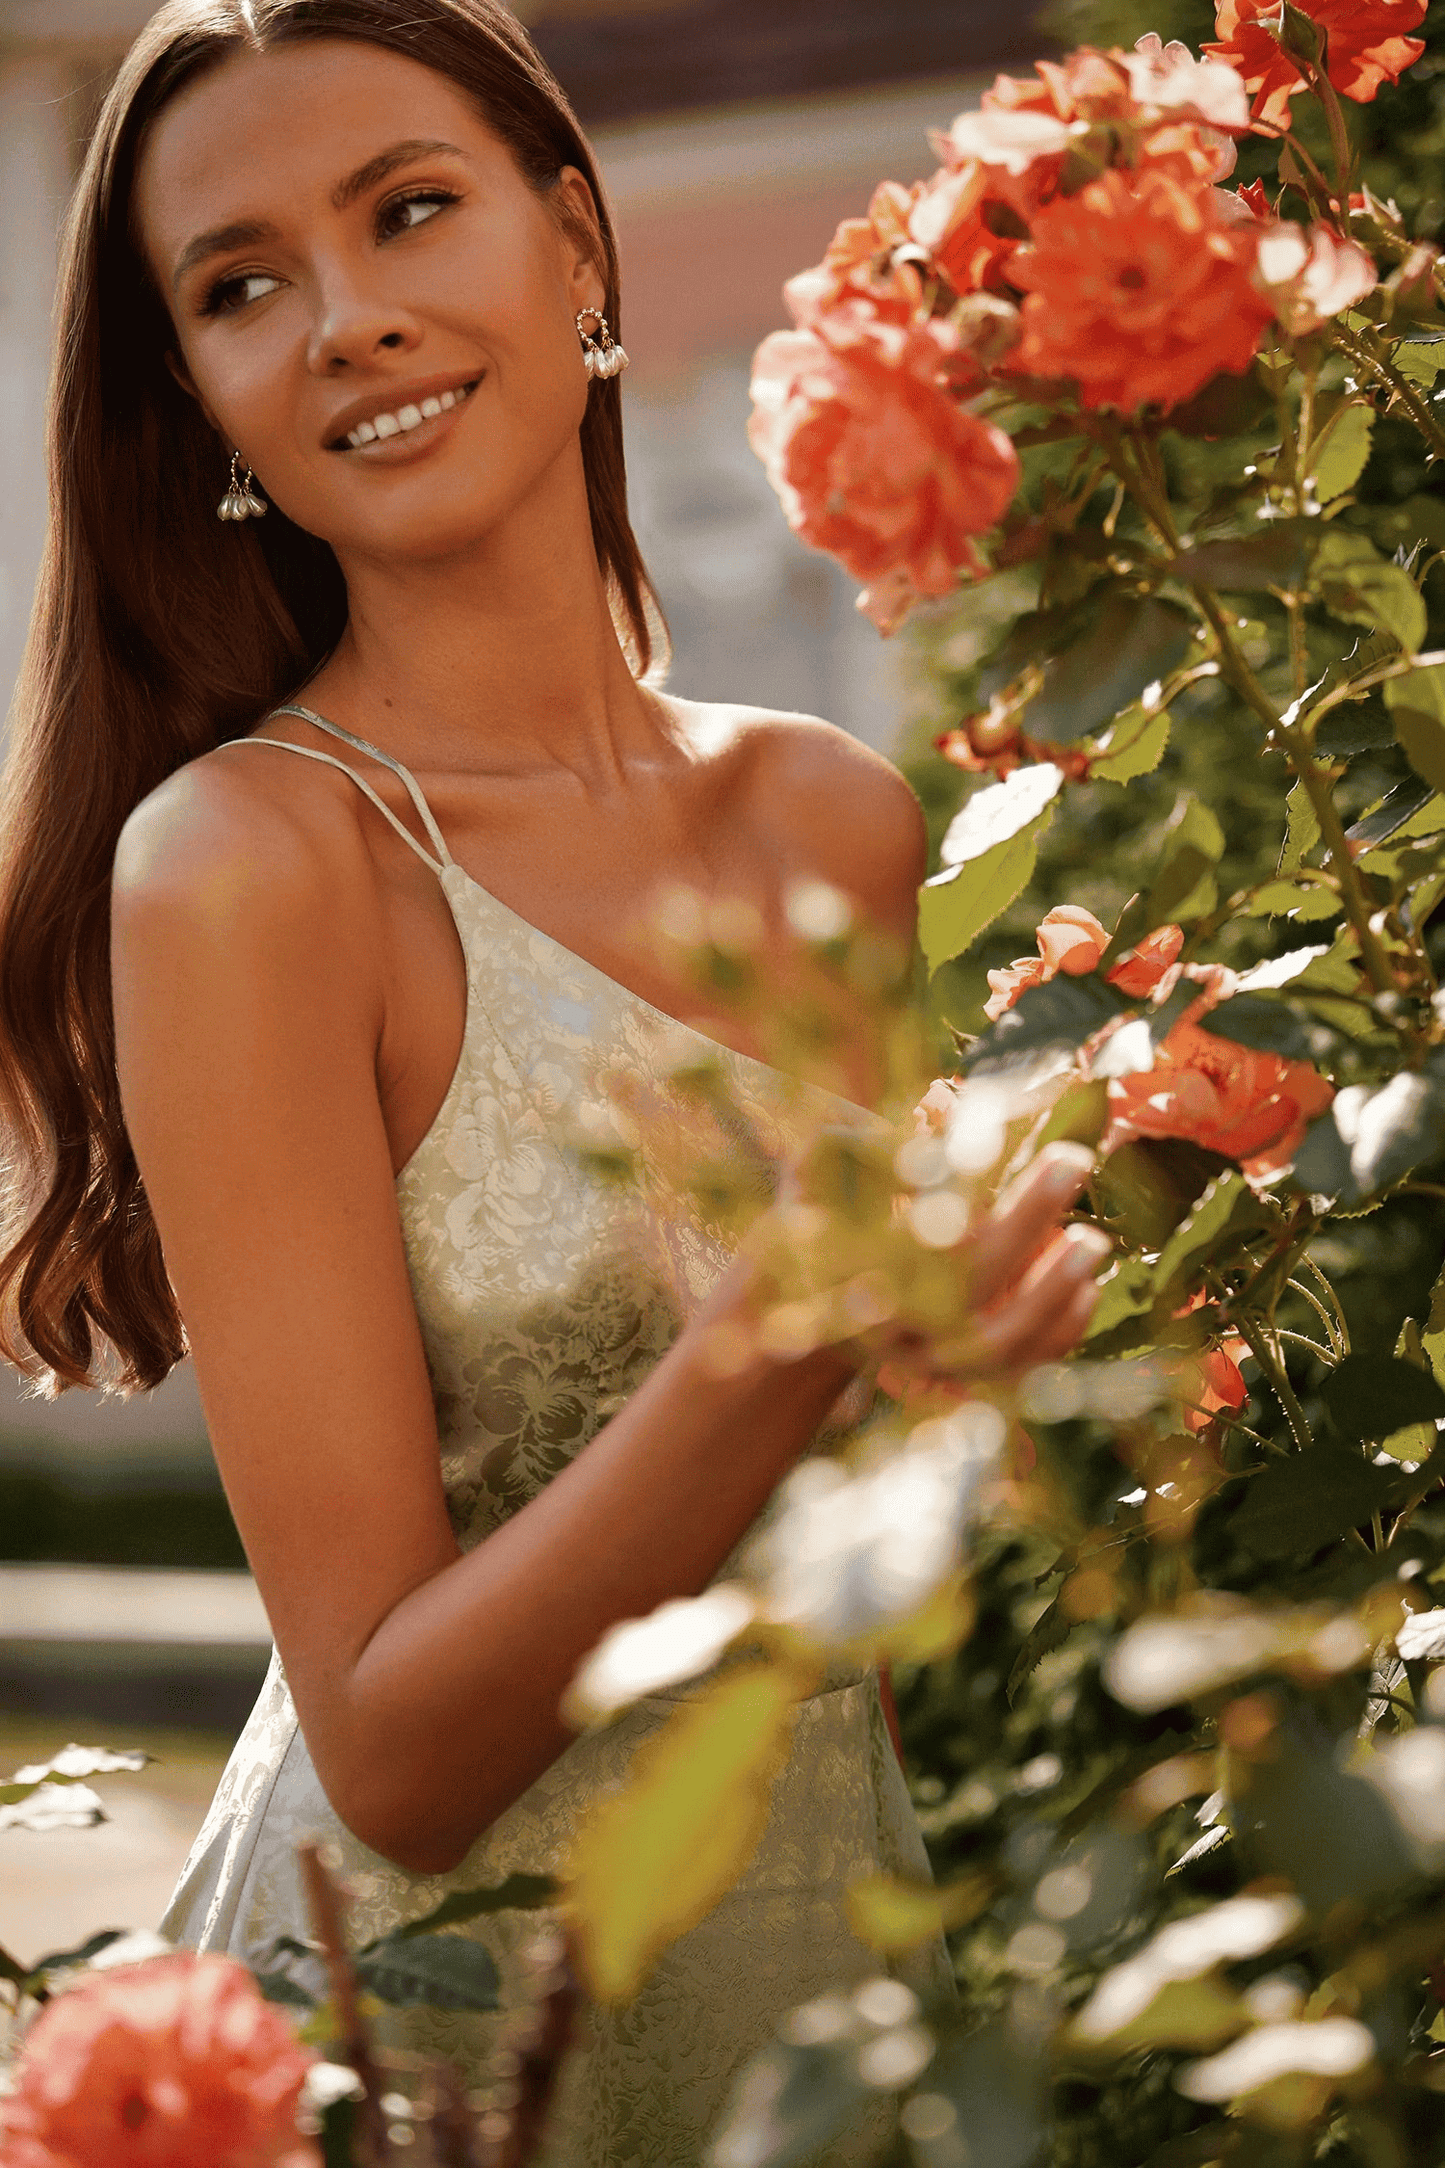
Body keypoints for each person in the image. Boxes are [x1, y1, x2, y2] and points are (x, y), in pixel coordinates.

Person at [0, 1, 1108, 2156]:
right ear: (203, 398)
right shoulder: (246, 866)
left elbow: (889, 1553)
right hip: (426, 2037)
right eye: (242, 288)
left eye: (409, 210)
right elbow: (395, 1747)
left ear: (578, 247)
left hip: (832, 1992)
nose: (347, 321)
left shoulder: (834, 823)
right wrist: (788, 1331)